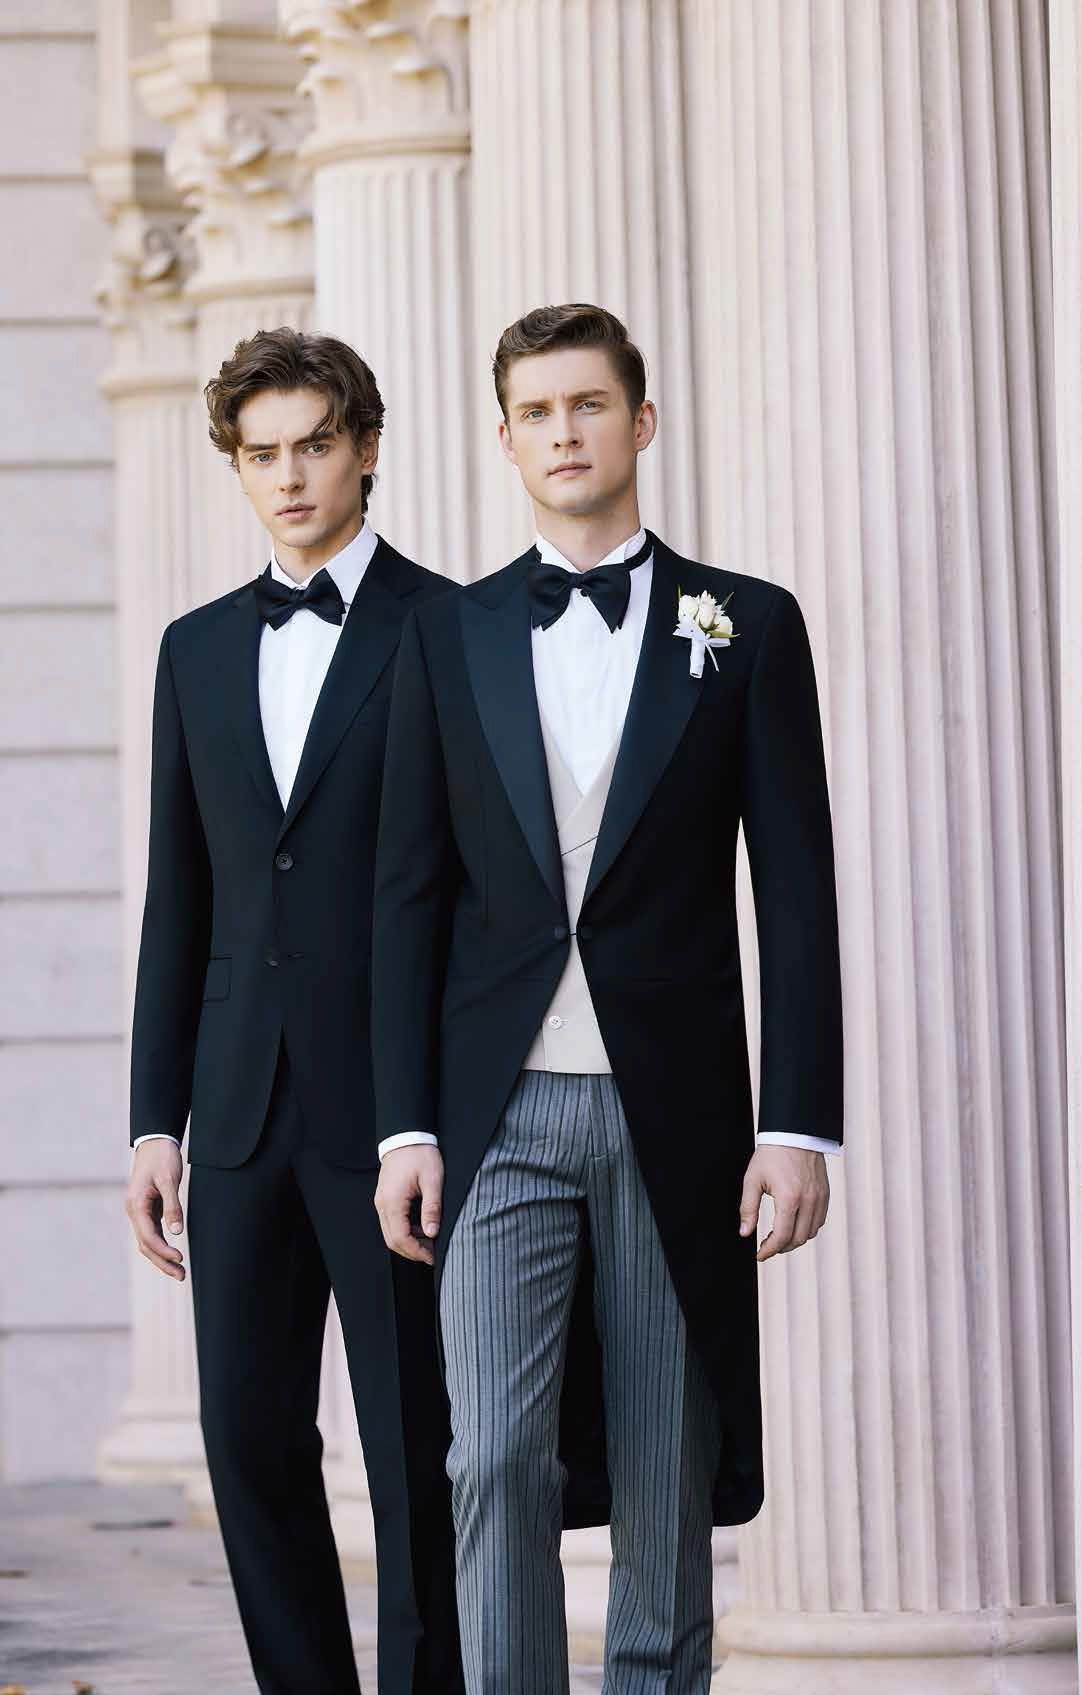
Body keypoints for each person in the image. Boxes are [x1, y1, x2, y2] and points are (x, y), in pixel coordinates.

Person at [372, 303, 844, 1693]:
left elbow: (798, 889)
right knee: (496, 1453)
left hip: (678, 1120)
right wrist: (406, 1126)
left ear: (640, 423)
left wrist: (802, 1124)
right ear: (505, 438)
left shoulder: (745, 625)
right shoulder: (444, 636)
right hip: (496, 1114)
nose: (563, 432)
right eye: (536, 411)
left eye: (589, 405)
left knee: (662, 1467)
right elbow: (406, 899)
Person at [124, 327, 463, 1695]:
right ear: (237, 468)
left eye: (313, 444)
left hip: (398, 1116)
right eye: (261, 455)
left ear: (364, 445)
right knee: (249, 1443)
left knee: (415, 1450)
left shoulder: (451, 629)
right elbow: (180, 897)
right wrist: (157, 1121)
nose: (289, 477)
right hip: (242, 1115)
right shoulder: (197, 650)